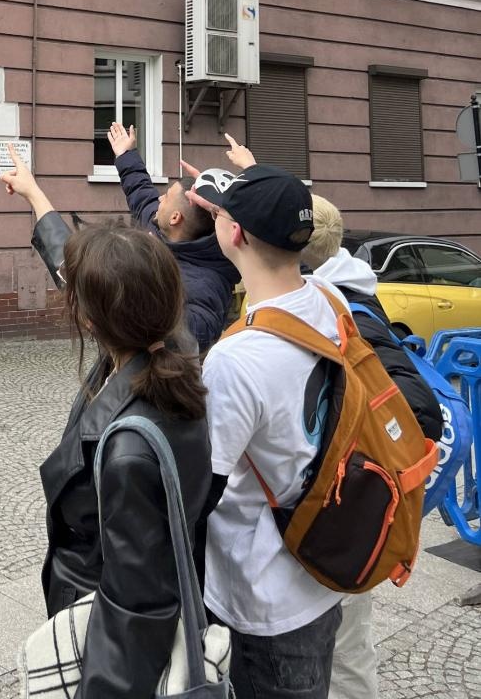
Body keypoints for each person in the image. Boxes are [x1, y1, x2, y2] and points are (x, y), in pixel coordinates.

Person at [0, 147, 212, 698]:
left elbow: (135, 608)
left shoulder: (129, 450)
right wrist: (34, 194)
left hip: (95, 614)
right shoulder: (172, 343)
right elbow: (77, 265)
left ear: (91, 321)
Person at [187, 160, 343, 699]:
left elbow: (201, 491)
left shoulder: (236, 359)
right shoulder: (331, 301)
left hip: (260, 600)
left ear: (234, 234)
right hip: (321, 570)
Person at [303, 195, 442, 699]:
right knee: (352, 647)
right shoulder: (359, 291)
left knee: (334, 648)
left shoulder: (326, 312)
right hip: (364, 505)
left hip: (337, 508)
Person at [106, 122, 240, 350]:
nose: (159, 199)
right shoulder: (159, 226)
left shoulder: (207, 282)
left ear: (176, 218)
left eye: (166, 197)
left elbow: (193, 334)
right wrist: (125, 155)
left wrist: (137, 284)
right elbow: (141, 194)